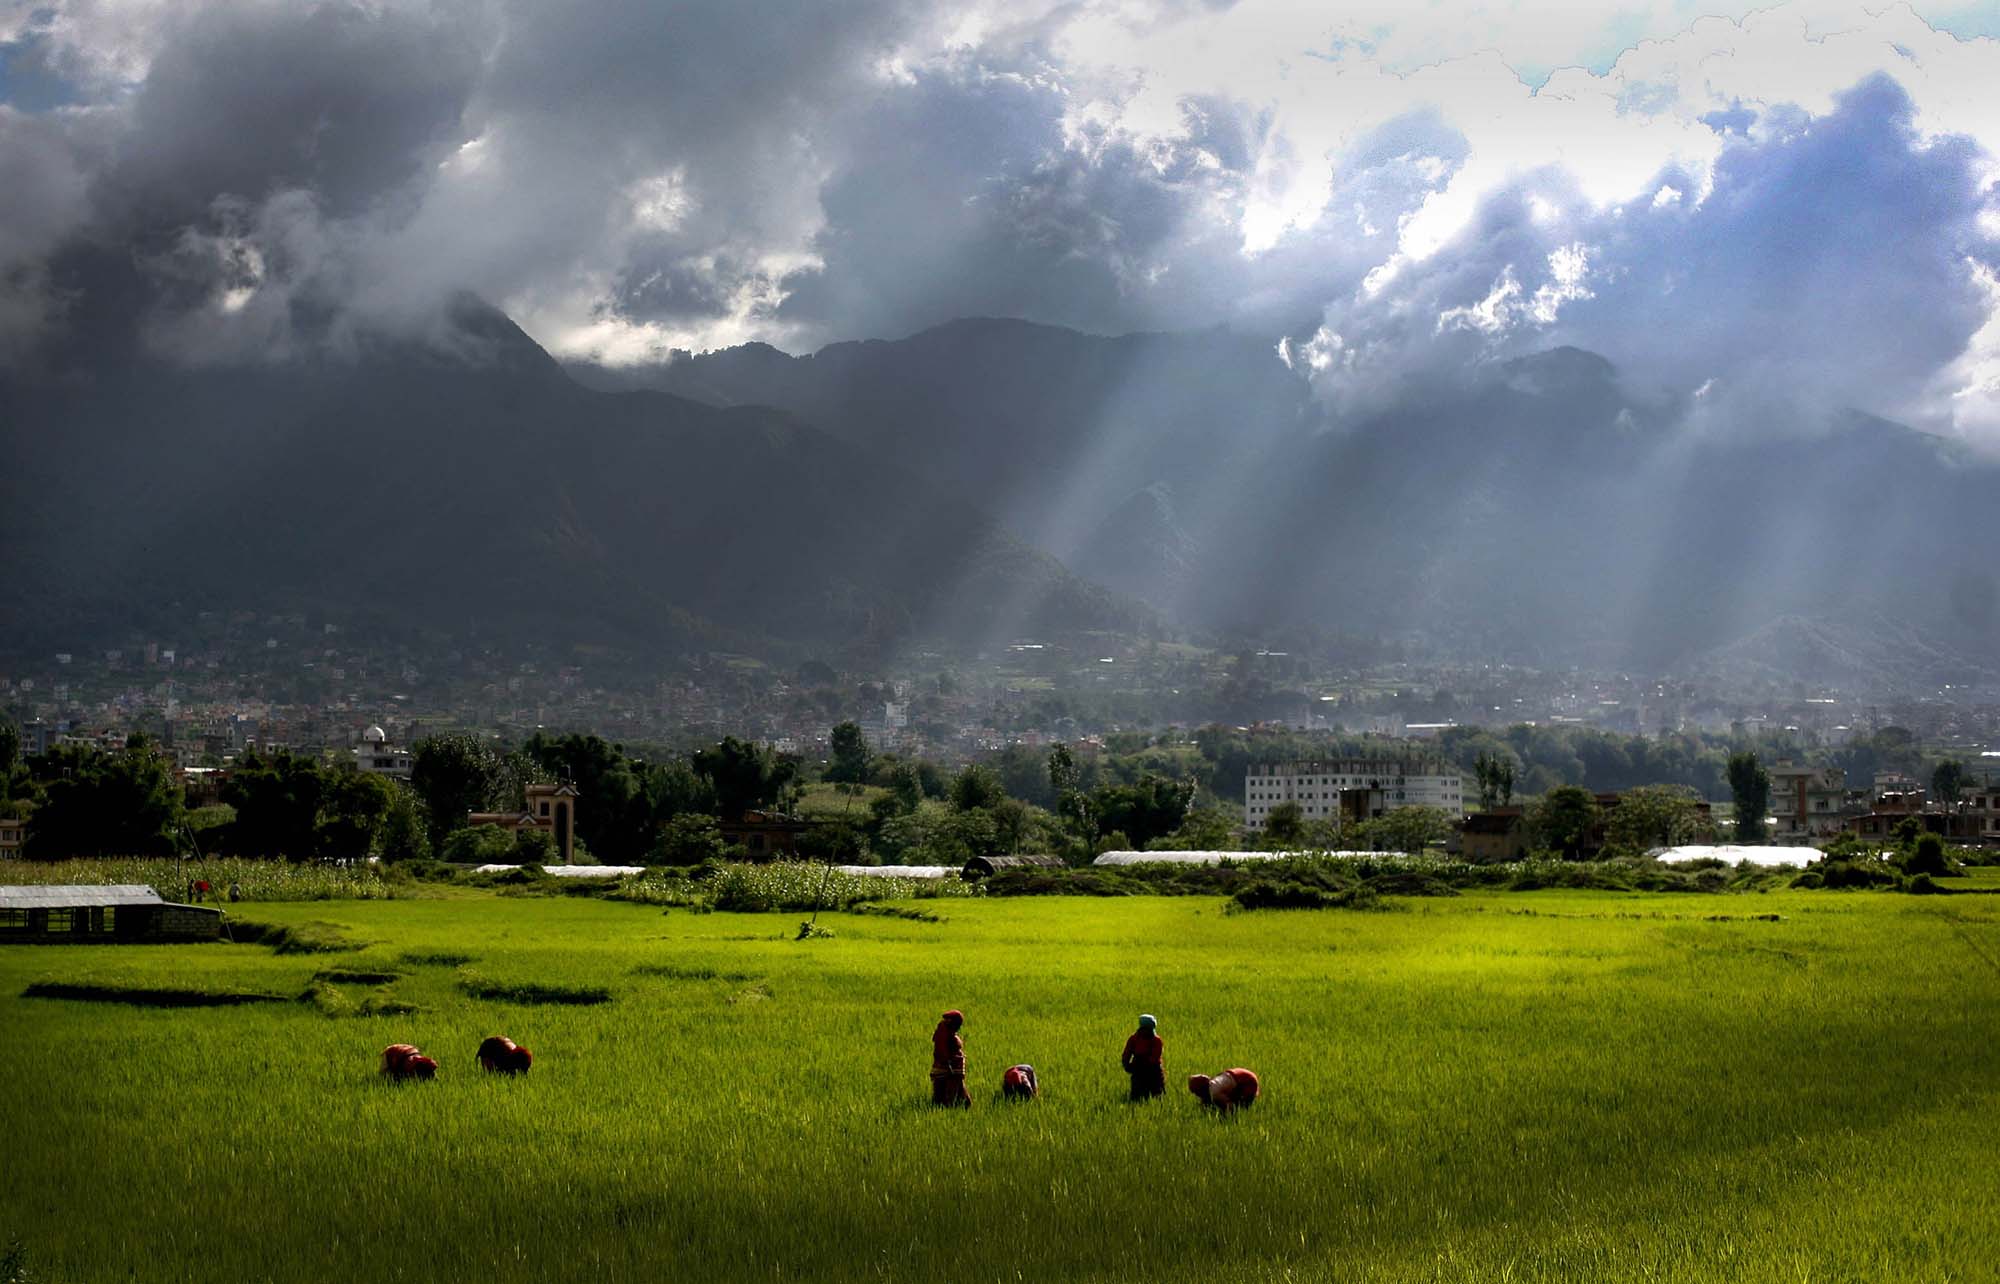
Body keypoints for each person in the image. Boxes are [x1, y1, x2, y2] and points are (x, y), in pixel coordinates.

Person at [930, 1009, 969, 1107]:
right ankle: (949, 1109)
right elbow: (942, 1050)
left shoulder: (942, 1030)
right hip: (951, 1067)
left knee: (940, 1095)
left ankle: (964, 1107)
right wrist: (948, 1064)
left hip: (943, 1067)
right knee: (951, 1096)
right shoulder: (945, 1033)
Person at [1121, 1014, 1165, 1100]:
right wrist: (1126, 1063)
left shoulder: (1136, 1038)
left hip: (1149, 1069)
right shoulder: (1155, 1040)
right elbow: (1127, 1052)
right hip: (1147, 1068)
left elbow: (1154, 1057)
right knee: (1146, 1093)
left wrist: (1129, 1064)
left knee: (1152, 1093)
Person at [1188, 1068, 1260, 1111]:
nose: (1196, 1095)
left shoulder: (1215, 1092)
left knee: (1243, 1107)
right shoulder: (1213, 1085)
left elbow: (1231, 1107)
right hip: (1238, 1074)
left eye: (1196, 1092)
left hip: (1247, 1081)